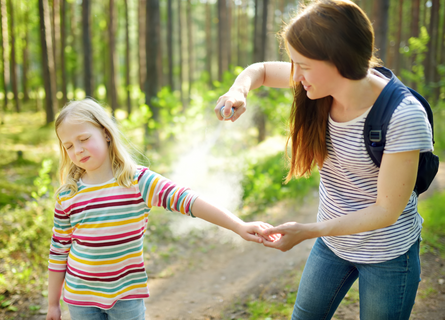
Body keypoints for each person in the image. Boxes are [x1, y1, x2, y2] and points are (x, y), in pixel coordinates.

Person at [215, 0, 433, 319]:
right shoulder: (319, 84)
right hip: (333, 246)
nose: (295, 74)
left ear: (338, 60)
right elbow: (259, 71)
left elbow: (386, 211)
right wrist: (238, 91)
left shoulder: (403, 116)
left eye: (302, 64)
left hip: (387, 253)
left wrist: (307, 230)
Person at [46, 99, 272, 320]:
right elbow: (59, 251)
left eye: (84, 139)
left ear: (106, 133)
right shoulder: (68, 195)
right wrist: (52, 304)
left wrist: (238, 225)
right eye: (68, 146)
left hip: (126, 297)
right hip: (80, 299)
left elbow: (188, 200)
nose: (77, 150)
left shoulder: (137, 181)